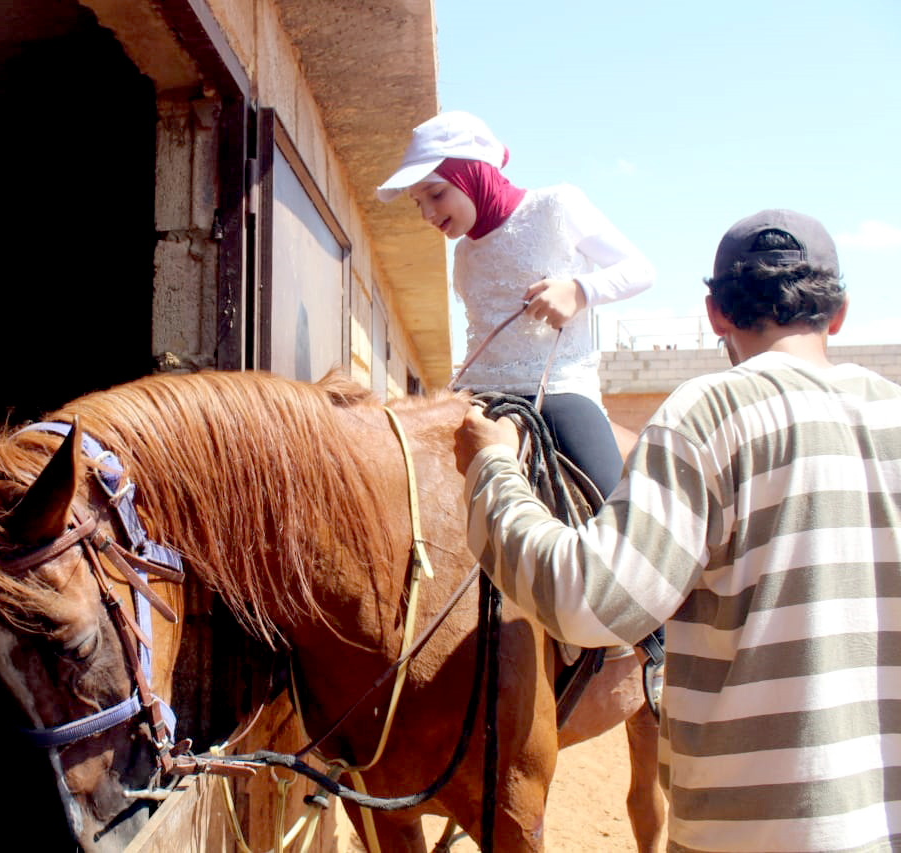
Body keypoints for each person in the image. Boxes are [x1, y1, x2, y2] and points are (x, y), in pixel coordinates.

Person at [454, 208, 901, 852]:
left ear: (715, 314)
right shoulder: (891, 414)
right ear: (839, 314)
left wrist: (492, 469)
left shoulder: (709, 413)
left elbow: (589, 602)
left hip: (748, 833)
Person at [378, 110, 654, 498]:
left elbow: (641, 269)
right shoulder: (464, 255)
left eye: (436, 194)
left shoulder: (556, 205)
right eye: (417, 202)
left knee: (612, 506)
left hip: (556, 390)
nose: (427, 213)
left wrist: (578, 291)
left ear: (472, 174)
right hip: (478, 395)